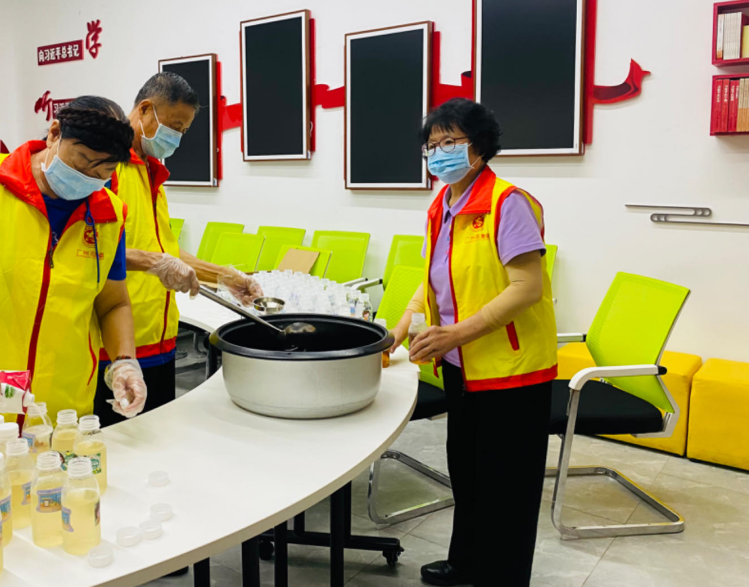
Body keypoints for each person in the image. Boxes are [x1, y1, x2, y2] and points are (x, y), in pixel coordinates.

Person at [389, 98, 557, 587]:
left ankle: (502, 577)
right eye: (432, 144)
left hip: (512, 370)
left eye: (450, 141)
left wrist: (455, 334)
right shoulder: (443, 203)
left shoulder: (509, 203)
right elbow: (432, 278)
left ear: (479, 146)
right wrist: (398, 328)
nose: (439, 152)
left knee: (508, 486)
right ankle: (466, 562)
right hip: (463, 367)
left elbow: (527, 287)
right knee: (469, 472)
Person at [94, 72, 262, 426]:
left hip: (160, 336)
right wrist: (155, 262)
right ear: (145, 109)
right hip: (116, 347)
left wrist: (224, 276)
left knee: (160, 438)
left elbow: (164, 250)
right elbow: (87, 252)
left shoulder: (150, 173)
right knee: (121, 444)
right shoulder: (105, 169)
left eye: (183, 131)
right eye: (173, 126)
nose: (177, 137)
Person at [0, 96, 147, 422]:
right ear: (54, 133)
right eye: (81, 162)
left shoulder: (109, 215)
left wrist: (125, 362)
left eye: (102, 171)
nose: (87, 178)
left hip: (64, 408)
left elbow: (113, 303)